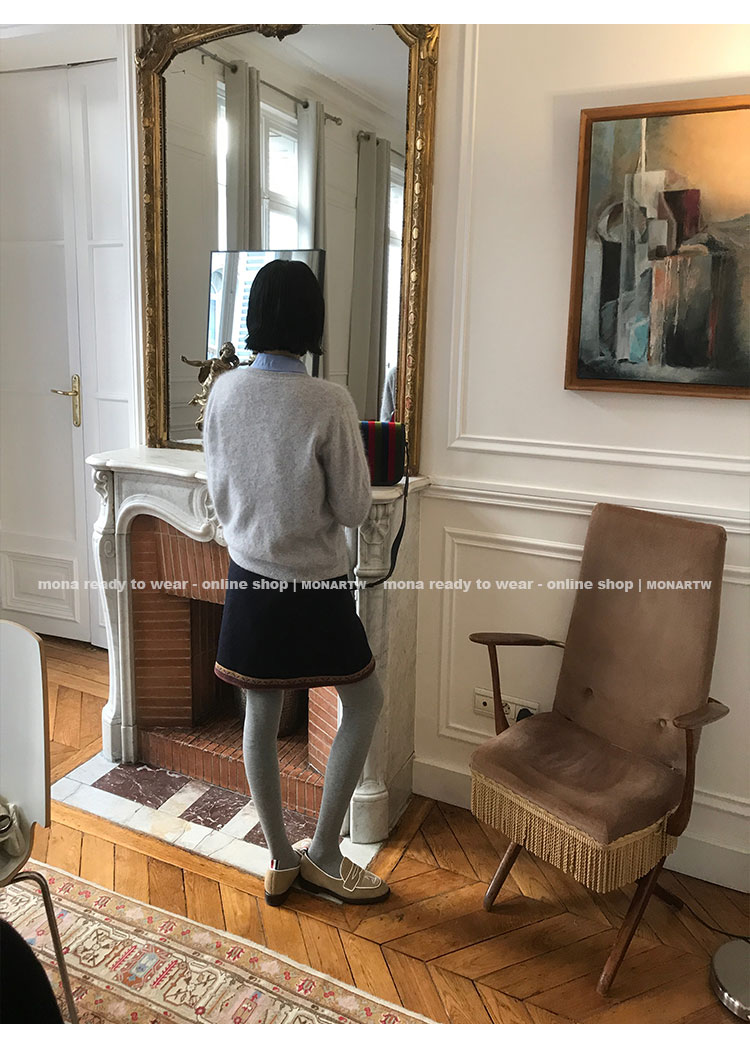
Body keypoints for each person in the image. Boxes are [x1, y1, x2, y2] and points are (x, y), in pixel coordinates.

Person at [203, 259, 389, 907]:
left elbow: (218, 493)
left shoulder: (224, 392)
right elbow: (355, 509)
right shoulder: (329, 401)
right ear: (314, 321)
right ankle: (326, 854)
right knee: (364, 702)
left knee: (258, 717)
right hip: (316, 588)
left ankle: (281, 860)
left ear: (254, 315)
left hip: (249, 581)